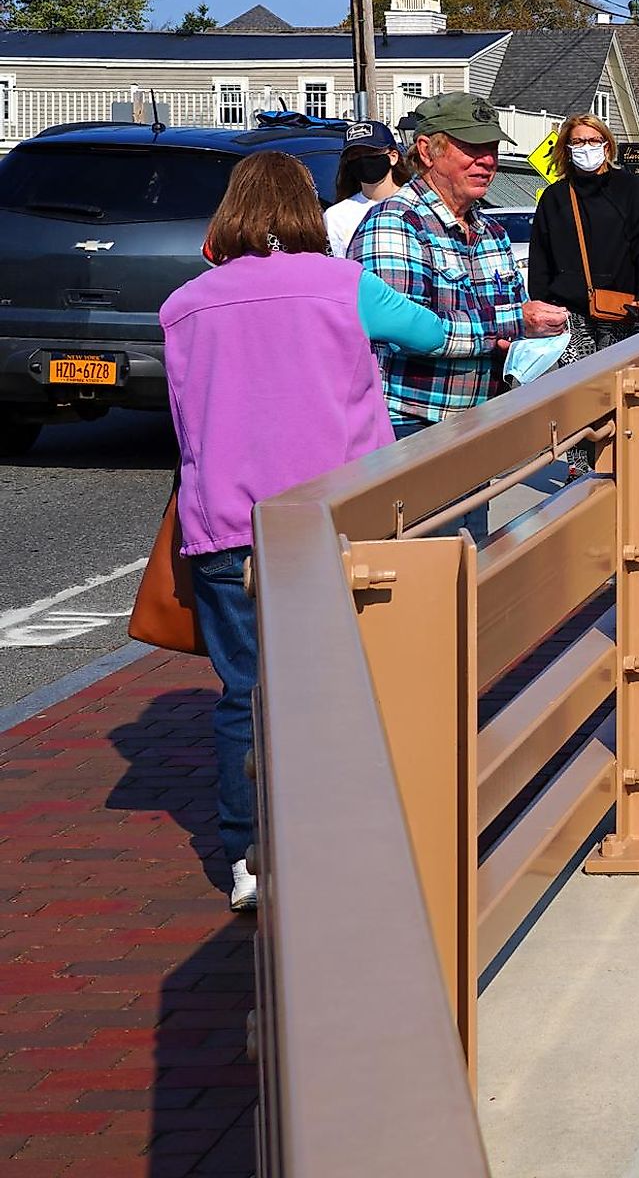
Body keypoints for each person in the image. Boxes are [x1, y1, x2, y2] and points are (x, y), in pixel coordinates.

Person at [161, 152, 448, 910]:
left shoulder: (186, 304)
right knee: (350, 683)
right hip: (338, 517)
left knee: (245, 692)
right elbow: (428, 331)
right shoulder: (345, 285)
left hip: (227, 523)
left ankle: (250, 858)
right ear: (308, 213)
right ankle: (344, 836)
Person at [349, 91, 567, 440]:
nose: (487, 161)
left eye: (492, 148)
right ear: (426, 150)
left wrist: (526, 340)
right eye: (471, 148)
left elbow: (510, 322)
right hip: (409, 426)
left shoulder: (492, 231)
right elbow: (409, 335)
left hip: (478, 423)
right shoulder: (394, 222)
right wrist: (514, 323)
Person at [528, 112, 639, 365]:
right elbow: (540, 258)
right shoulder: (555, 197)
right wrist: (541, 305)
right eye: (578, 142)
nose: (586, 147)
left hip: (622, 307)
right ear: (567, 148)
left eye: (593, 140)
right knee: (579, 387)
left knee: (618, 382)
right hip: (569, 310)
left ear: (606, 145)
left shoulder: (630, 189)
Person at [322, 120, 405, 257]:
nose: (363, 160)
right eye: (355, 155)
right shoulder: (335, 216)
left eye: (371, 152)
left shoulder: (416, 205)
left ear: (393, 157)